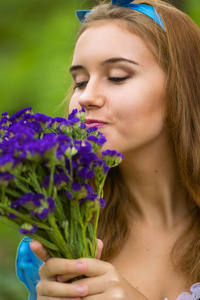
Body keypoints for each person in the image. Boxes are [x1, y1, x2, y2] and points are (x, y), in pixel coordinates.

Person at [16, 0, 200, 299]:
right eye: (80, 81)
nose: (87, 97)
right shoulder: (53, 239)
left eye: (117, 76)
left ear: (182, 87)